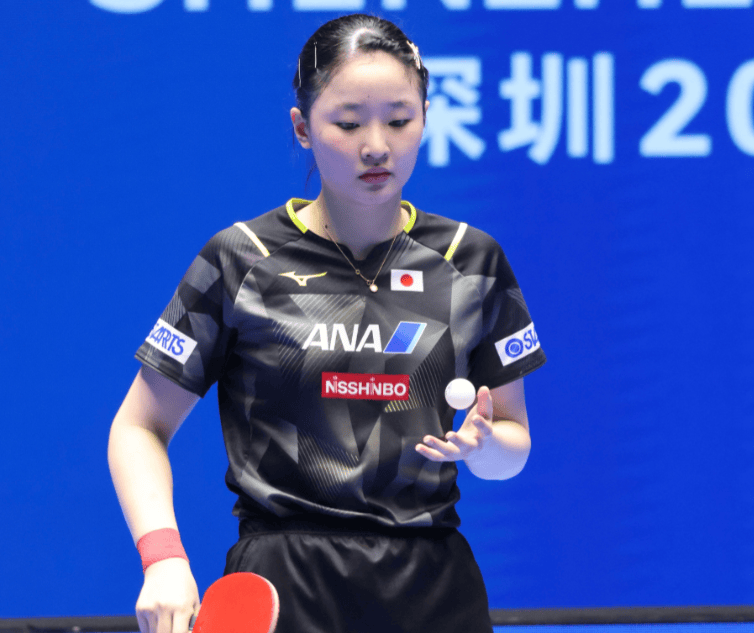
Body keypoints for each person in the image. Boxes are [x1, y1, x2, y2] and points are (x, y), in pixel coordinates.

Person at [108, 13, 546, 633]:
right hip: (284, 583)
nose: (377, 145)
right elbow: (138, 426)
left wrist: (485, 448)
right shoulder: (241, 259)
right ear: (302, 128)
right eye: (348, 123)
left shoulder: (470, 260)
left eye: (400, 120)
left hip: (433, 588)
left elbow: (512, 446)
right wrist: (164, 561)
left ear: (425, 117)